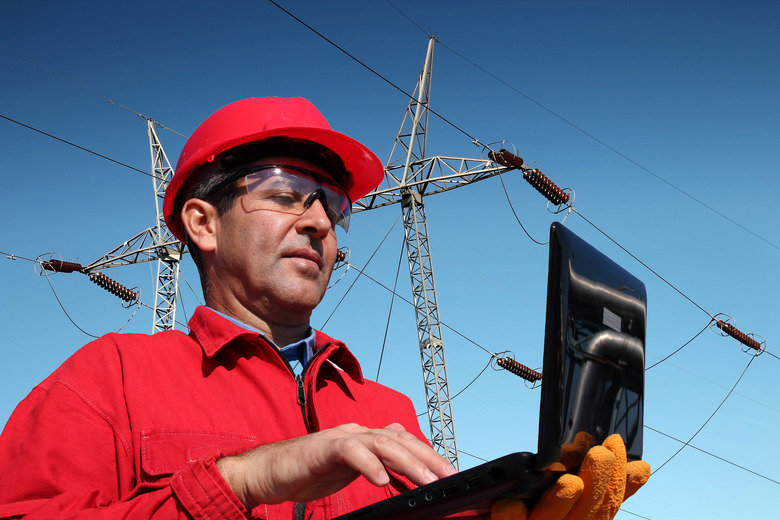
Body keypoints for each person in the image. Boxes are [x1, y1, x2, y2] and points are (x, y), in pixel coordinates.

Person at [0, 97, 648, 520]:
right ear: (202, 222)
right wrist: (246, 481)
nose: (318, 221)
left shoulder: (385, 413)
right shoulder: (110, 377)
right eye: (286, 192)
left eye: (331, 205)